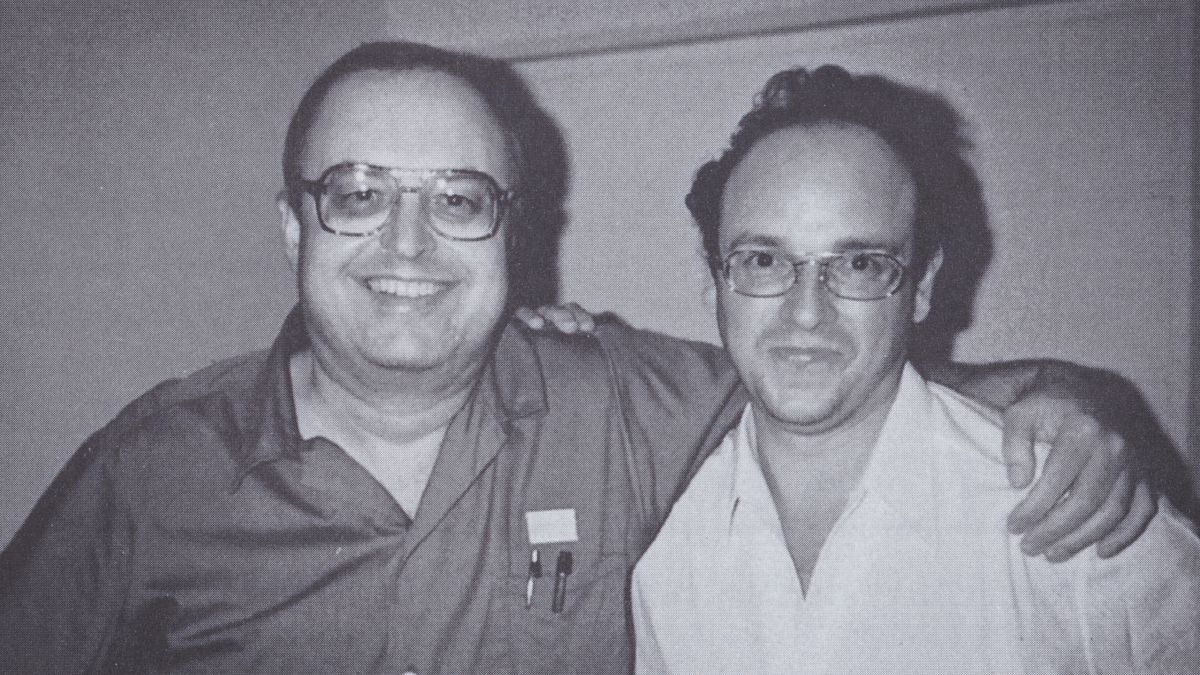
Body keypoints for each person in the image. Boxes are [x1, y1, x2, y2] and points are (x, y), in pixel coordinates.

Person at [0, 43, 1155, 675]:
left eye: (458, 198)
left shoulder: (620, 401)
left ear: (515, 229)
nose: (408, 244)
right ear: (295, 228)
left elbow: (823, 371)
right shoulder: (149, 474)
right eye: (358, 194)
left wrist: (1065, 396)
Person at [630, 65, 1199, 674]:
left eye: (859, 265)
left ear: (921, 287)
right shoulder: (666, 548)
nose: (806, 312)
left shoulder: (1069, 514)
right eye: (764, 259)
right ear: (715, 281)